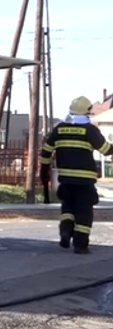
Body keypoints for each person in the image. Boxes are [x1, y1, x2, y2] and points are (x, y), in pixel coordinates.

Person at [39, 95, 113, 254]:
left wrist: (44, 171)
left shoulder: (58, 129)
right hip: (85, 180)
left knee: (68, 207)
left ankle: (65, 232)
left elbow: (45, 152)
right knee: (84, 211)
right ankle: (80, 245)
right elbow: (106, 150)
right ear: (87, 112)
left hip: (65, 178)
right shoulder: (90, 130)